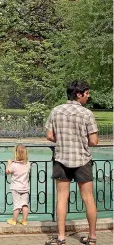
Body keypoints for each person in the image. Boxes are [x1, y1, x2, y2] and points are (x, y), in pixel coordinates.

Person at [45, 80, 99, 245]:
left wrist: (62, 140)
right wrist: (80, 140)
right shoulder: (86, 114)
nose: (88, 97)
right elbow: (94, 141)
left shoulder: (56, 111)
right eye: (87, 93)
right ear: (78, 94)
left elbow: (49, 136)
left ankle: (61, 237)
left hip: (61, 158)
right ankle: (92, 238)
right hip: (82, 159)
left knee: (62, 198)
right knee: (88, 198)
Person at [6, 144, 30, 226]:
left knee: (17, 205)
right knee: (25, 204)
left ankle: (14, 220)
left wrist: (9, 163)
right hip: (25, 187)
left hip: (16, 188)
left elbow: (7, 172)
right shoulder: (27, 164)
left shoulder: (14, 165)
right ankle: (24, 220)